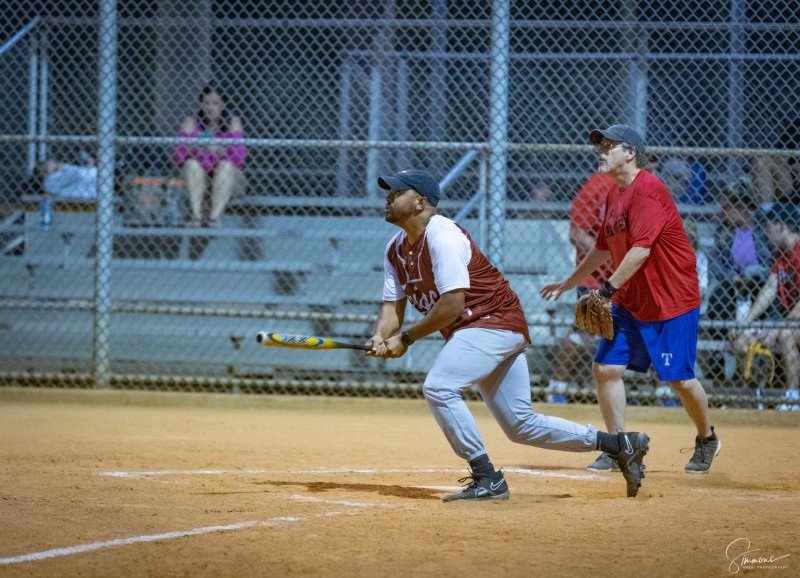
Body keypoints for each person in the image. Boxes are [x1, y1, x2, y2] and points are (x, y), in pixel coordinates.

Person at [366, 168, 650, 501]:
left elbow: (453, 304)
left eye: (397, 193)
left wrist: (407, 339)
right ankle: (619, 444)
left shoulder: (442, 236)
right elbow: (392, 307)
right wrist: (380, 336)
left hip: (493, 322)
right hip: (480, 330)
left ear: (420, 203)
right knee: (520, 424)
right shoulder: (395, 249)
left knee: (439, 387)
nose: (388, 198)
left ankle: (487, 477)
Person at [540, 124, 721, 474]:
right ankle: (618, 445)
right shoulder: (614, 193)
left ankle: (707, 438)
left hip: (671, 301)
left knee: (679, 379)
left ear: (631, 153)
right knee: (606, 368)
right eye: (600, 146)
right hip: (632, 299)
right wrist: (569, 282)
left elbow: (640, 250)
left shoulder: (649, 191)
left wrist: (605, 290)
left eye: (609, 146)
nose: (601, 151)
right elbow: (603, 248)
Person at [546, 172, 617, 402]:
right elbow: (576, 233)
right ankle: (558, 387)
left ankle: (663, 392)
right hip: (595, 277)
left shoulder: (644, 188)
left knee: (645, 328)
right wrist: (609, 258)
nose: (651, 172)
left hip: (630, 275)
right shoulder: (596, 187)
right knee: (584, 331)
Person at [731, 203, 800, 411]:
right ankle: (755, 395)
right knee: (740, 340)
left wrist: (780, 327)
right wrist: (746, 322)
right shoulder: (780, 254)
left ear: (781, 226)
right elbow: (769, 290)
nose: (765, 233)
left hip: (791, 324)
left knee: (785, 335)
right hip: (787, 321)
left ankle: (793, 397)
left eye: (769, 227)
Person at [706, 178, 772, 341]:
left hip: (760, 281)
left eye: (727, 208)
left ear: (741, 207)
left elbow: (772, 262)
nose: (723, 213)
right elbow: (716, 266)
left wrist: (752, 274)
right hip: (734, 283)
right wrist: (734, 278)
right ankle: (719, 351)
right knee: (719, 296)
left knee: (765, 291)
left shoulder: (763, 228)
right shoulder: (724, 231)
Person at [173, 85, 247, 228]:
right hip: (196, 178)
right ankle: (196, 217)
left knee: (225, 166)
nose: (210, 108)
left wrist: (221, 150)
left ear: (223, 105)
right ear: (201, 104)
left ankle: (214, 219)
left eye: (215, 103)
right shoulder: (191, 122)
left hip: (227, 179)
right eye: (206, 103)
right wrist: (195, 148)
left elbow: (239, 159)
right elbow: (178, 157)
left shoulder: (232, 122)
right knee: (192, 165)